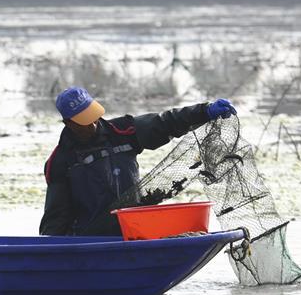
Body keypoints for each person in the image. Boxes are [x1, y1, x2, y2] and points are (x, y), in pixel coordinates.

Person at [39, 86, 237, 236]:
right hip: (92, 239)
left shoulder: (124, 132)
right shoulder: (61, 161)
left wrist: (204, 111)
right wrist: (52, 249)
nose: (92, 124)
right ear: (68, 123)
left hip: (135, 231)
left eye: (93, 116)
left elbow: (165, 123)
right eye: (84, 120)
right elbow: (56, 216)